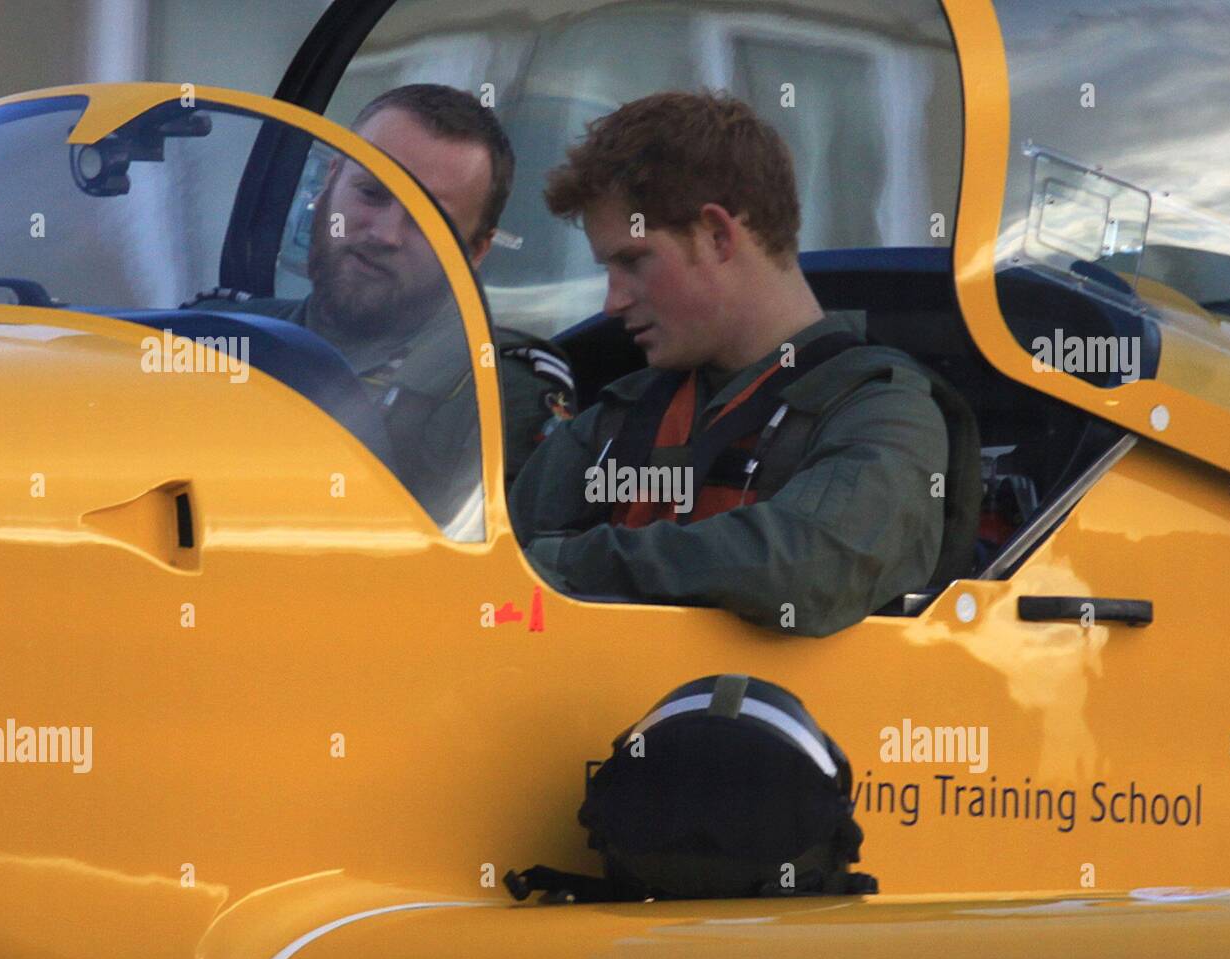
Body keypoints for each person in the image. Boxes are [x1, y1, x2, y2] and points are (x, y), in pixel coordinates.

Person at [510, 91, 969, 637]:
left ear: (718, 235)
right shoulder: (617, 417)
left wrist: (573, 563)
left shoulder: (887, 408)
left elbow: (810, 565)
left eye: (632, 261)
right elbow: (487, 566)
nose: (612, 302)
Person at [188, 84, 575, 509]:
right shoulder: (214, 331)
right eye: (371, 193)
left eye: (429, 219)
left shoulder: (492, 388)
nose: (385, 235)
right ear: (329, 182)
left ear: (475, 251)